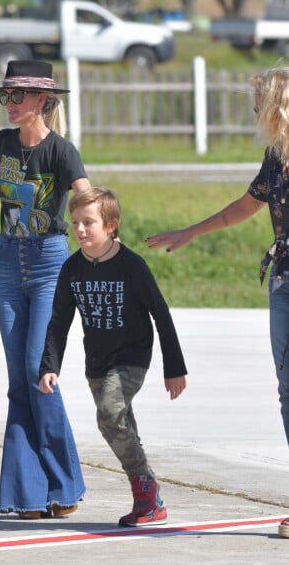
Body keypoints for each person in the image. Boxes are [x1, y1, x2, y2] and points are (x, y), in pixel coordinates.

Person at [145, 66, 289, 535]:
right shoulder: (275, 158)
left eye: (257, 105)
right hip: (284, 280)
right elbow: (247, 205)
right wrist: (191, 232)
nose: (253, 114)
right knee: (288, 393)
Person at [0, 60, 88, 519]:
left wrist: (99, 234)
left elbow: (85, 197)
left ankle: (66, 486)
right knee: (18, 381)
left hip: (51, 261)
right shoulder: (3, 144)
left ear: (40, 101)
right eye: (5, 96)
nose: (9, 104)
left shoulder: (61, 150)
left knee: (40, 373)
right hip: (10, 263)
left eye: (17, 97)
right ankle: (28, 494)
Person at [39, 186, 188, 526]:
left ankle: (146, 489)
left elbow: (160, 314)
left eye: (88, 222)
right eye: (74, 222)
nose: (79, 230)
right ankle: (150, 501)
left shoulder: (131, 265)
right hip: (97, 363)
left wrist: (174, 367)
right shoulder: (72, 269)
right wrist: (49, 366)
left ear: (110, 225)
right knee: (122, 425)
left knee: (108, 416)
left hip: (132, 357)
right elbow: (59, 322)